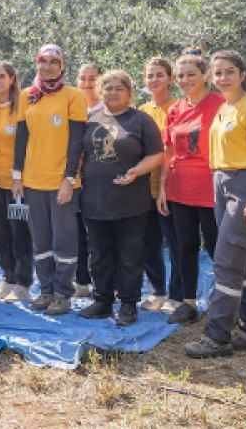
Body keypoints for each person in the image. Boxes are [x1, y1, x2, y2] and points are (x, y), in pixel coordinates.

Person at [185, 51, 246, 358]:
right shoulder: (225, 108)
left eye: (230, 72)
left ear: (242, 74)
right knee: (243, 262)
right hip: (223, 184)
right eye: (218, 73)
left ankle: (218, 336)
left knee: (225, 262)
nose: (223, 77)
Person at [78, 71, 164, 327]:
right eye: (108, 88)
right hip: (94, 202)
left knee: (130, 255)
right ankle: (103, 301)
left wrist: (136, 171)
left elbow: (157, 155)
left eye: (119, 89)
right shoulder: (91, 120)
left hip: (130, 203)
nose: (113, 93)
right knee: (98, 254)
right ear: (100, 91)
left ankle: (128, 304)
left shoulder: (141, 120)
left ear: (129, 93)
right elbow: (81, 153)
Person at [12, 44, 87, 316]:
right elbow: (21, 137)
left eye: (54, 62)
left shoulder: (73, 96)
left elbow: (77, 140)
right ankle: (45, 291)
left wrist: (69, 178)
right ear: (37, 64)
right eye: (43, 61)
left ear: (62, 66)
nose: (48, 67)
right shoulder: (27, 96)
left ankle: (63, 293)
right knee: (40, 239)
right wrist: (17, 175)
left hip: (61, 182)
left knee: (64, 239)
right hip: (32, 181)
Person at [158, 48, 224, 326]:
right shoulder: (175, 109)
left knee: (216, 248)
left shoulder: (220, 104)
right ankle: (188, 304)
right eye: (181, 76)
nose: (185, 80)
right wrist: (162, 187)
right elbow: (169, 151)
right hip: (180, 190)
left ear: (205, 75)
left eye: (191, 75)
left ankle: (225, 304)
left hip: (211, 191)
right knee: (184, 247)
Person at [137, 57, 182, 312]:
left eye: (159, 75)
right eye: (150, 75)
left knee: (175, 242)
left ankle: (177, 295)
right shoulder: (142, 111)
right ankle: (157, 291)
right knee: (148, 242)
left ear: (170, 79)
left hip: (173, 187)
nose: (154, 80)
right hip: (145, 188)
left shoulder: (179, 107)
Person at [0, 61, 33, 303]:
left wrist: (20, 175)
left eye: (1, 76)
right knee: (0, 232)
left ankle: (24, 283)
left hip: (18, 180)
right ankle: (8, 279)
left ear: (12, 79)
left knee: (20, 234)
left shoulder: (21, 106)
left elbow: (27, 142)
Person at [73, 63, 102, 298]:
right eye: (83, 78)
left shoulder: (108, 109)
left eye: (92, 79)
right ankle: (81, 281)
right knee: (77, 234)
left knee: (99, 235)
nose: (87, 83)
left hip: (99, 181)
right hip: (75, 180)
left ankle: (104, 284)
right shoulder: (73, 107)